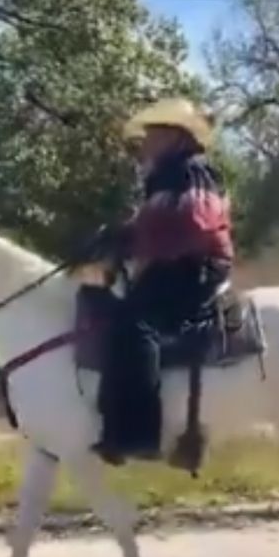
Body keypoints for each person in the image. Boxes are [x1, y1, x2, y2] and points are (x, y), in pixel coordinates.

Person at [93, 97, 233, 465]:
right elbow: (153, 223)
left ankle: (140, 437)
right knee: (117, 316)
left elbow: (194, 222)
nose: (146, 141)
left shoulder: (192, 170)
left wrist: (139, 244)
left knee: (135, 325)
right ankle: (117, 427)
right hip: (174, 265)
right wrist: (120, 238)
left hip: (196, 267)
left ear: (175, 137)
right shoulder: (166, 175)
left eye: (154, 134)